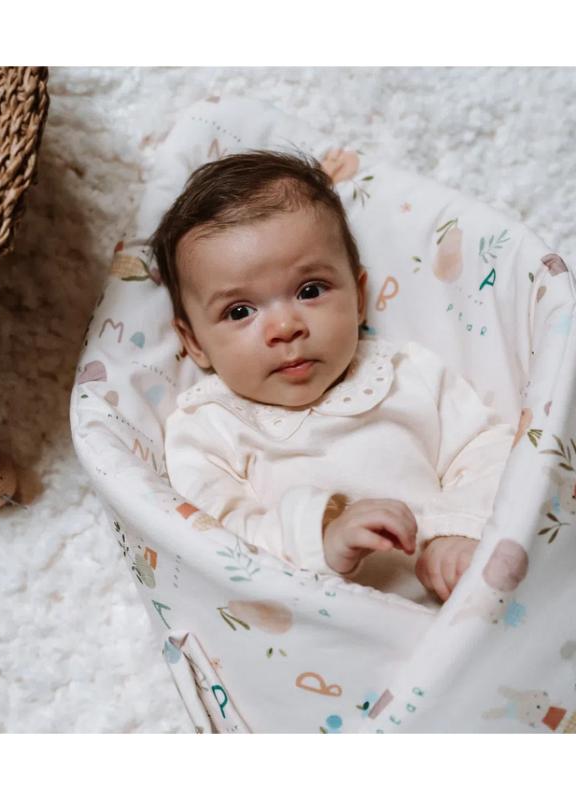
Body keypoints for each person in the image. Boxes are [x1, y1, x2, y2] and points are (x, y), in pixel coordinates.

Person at [152, 150, 515, 605]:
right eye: (240, 311)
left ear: (358, 298)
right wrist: (320, 537)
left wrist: (456, 530)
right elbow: (217, 538)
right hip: (322, 628)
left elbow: (488, 450)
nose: (285, 327)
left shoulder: (405, 375)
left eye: (310, 291)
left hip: (462, 603)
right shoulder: (208, 428)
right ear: (194, 342)